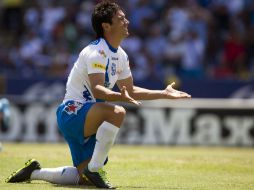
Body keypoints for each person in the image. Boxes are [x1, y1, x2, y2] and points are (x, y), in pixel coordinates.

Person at [5, 1, 191, 189]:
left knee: (81, 179)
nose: (127, 21)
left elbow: (131, 90)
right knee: (117, 113)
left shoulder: (122, 56)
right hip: (73, 113)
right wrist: (121, 97)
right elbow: (98, 90)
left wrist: (164, 93)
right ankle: (94, 170)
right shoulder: (96, 51)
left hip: (88, 117)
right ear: (106, 26)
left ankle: (35, 172)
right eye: (121, 18)